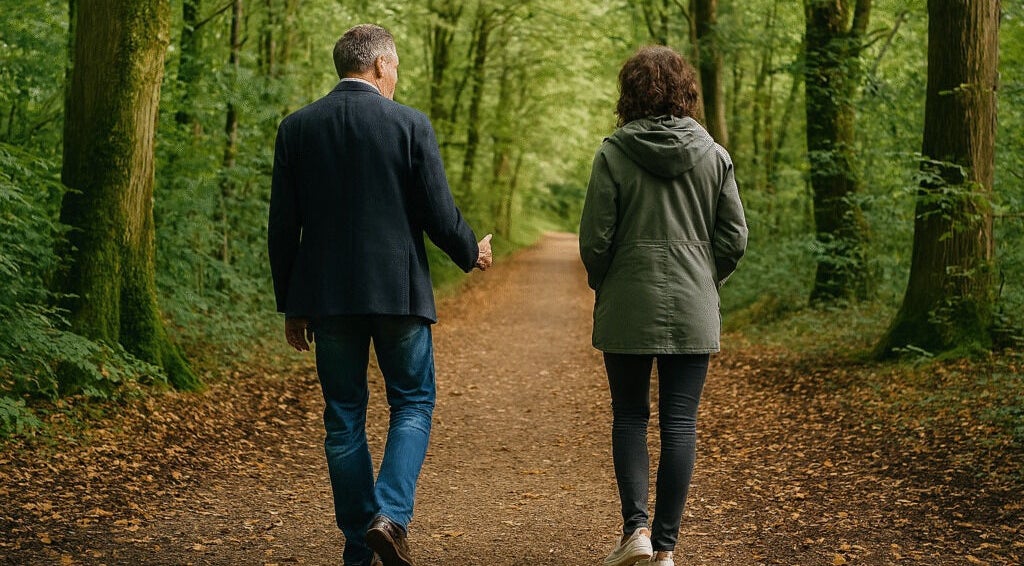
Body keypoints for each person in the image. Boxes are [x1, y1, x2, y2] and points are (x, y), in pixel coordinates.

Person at [268, 24, 492, 566]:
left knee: (343, 415)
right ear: (380, 66)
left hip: (328, 297)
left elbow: (282, 226)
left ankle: (357, 543)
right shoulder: (410, 124)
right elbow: (437, 211)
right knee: (412, 402)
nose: (396, 76)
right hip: (399, 293)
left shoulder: (297, 128)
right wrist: (471, 252)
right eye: (395, 68)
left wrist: (292, 304)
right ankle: (389, 518)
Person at [579, 45, 748, 566]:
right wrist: (704, 277)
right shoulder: (715, 155)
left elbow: (595, 240)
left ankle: (636, 532)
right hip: (693, 302)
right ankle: (668, 549)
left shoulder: (612, 154)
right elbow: (735, 237)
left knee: (629, 417)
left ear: (629, 94)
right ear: (686, 91)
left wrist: (608, 282)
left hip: (628, 300)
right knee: (681, 423)